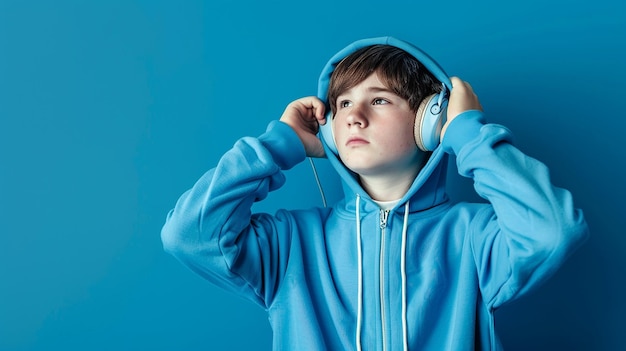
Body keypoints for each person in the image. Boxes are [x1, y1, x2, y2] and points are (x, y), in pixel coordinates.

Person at [161, 36, 588, 350]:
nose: (355, 117)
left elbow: (552, 231)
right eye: (343, 104)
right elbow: (189, 235)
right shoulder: (293, 243)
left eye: (380, 100)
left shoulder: (473, 236)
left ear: (429, 122)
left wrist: (467, 135)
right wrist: (278, 145)